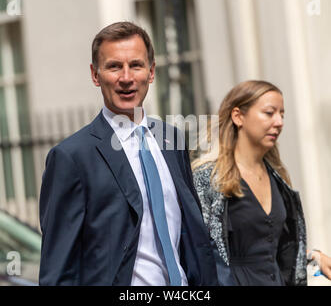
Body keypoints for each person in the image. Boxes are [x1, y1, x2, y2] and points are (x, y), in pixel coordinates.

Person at [38, 22, 218, 286]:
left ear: (151, 71)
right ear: (95, 74)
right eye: (113, 66)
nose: (126, 77)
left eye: (136, 65)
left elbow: (193, 237)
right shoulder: (71, 158)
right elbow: (58, 270)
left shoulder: (172, 140)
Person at [192, 80, 331, 286]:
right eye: (269, 113)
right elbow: (199, 251)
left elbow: (273, 249)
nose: (279, 122)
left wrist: (314, 257)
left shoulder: (278, 178)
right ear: (238, 116)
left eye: (282, 114)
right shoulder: (209, 177)